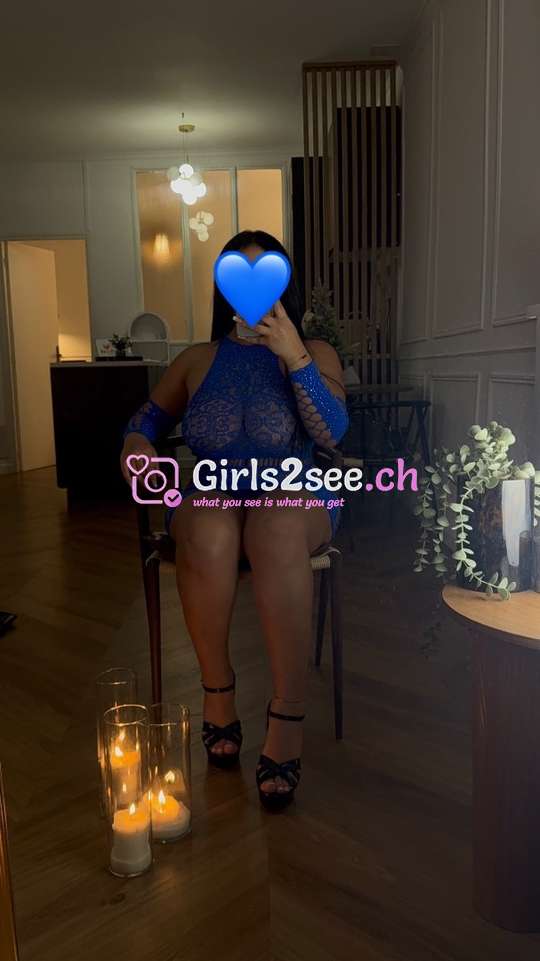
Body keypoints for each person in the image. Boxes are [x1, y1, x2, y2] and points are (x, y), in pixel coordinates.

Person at [121, 230, 349, 809]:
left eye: (264, 272)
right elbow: (146, 419)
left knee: (275, 518)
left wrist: (294, 355)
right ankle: (217, 691)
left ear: (284, 283)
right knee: (205, 522)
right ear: (223, 287)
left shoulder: (316, 350)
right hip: (215, 495)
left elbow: (331, 433)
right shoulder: (196, 359)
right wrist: (136, 444)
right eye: (238, 273)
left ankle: (287, 713)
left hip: (295, 494)